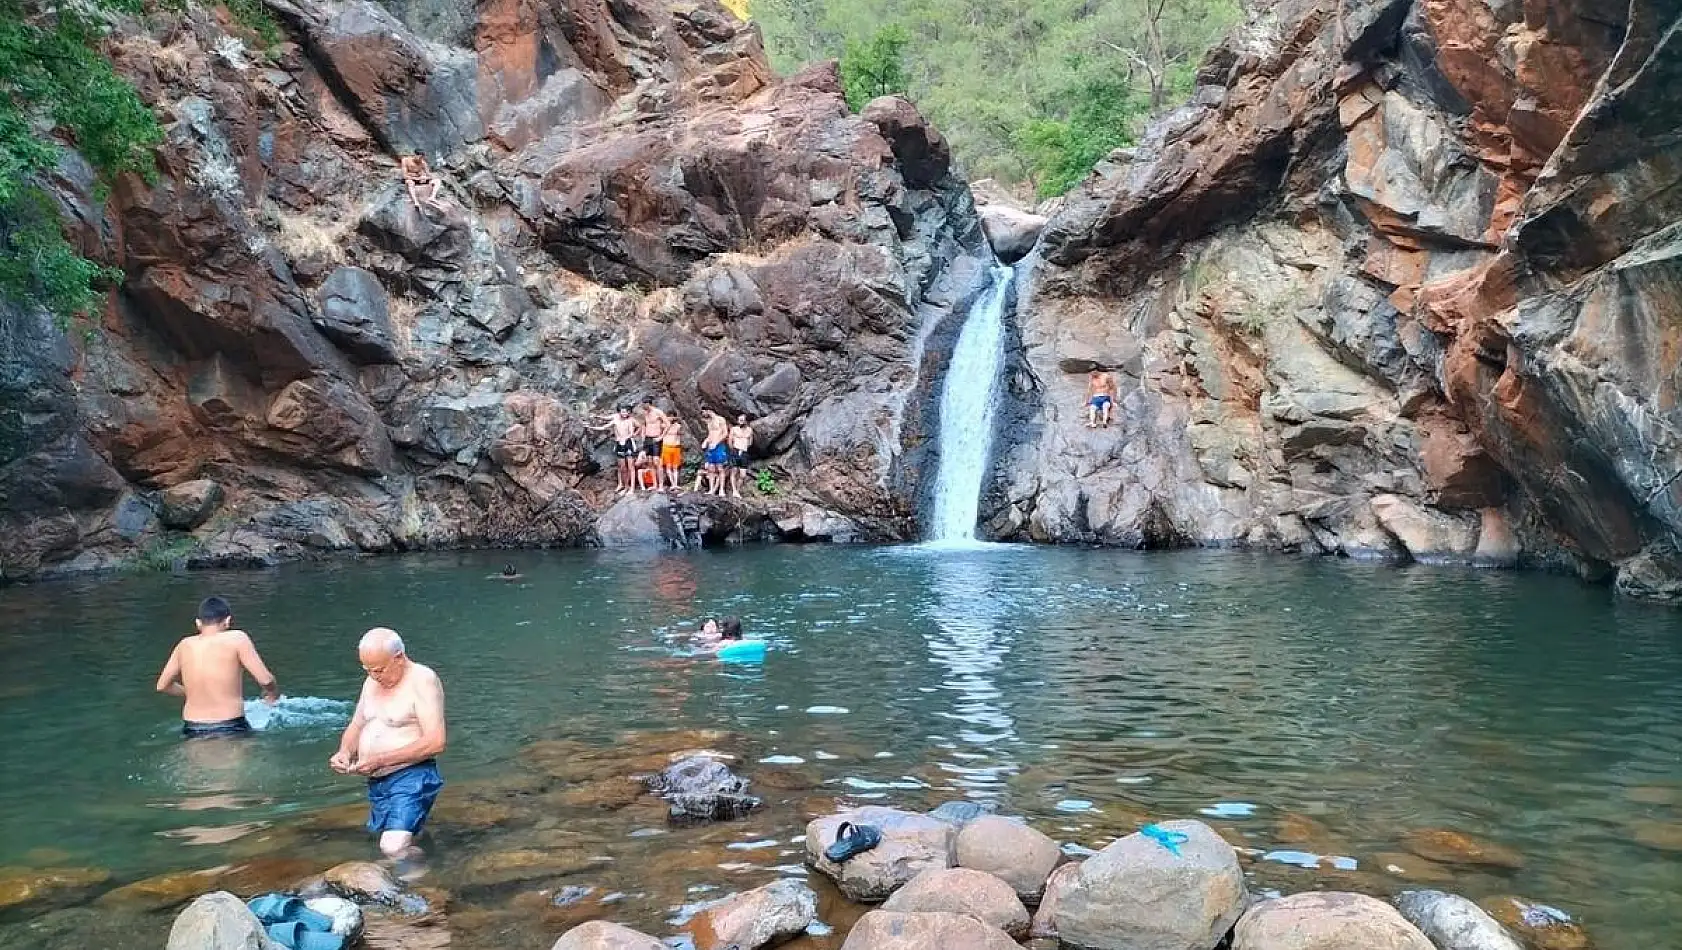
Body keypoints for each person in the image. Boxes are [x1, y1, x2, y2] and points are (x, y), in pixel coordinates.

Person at [329, 628, 446, 860]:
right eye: (368, 670)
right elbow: (357, 724)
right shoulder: (371, 682)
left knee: (393, 847)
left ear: (399, 657)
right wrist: (344, 752)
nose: (374, 676)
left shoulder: (422, 680)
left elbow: (436, 741)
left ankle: (421, 888)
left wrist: (380, 760)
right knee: (407, 836)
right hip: (378, 781)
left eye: (379, 670)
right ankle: (426, 867)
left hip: (411, 775)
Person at [156, 596, 280, 738]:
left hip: (193, 727)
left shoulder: (184, 645)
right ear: (227, 621)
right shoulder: (237, 638)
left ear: (198, 623)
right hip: (230, 725)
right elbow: (265, 680)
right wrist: (272, 695)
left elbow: (162, 685)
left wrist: (191, 693)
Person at [589, 406, 643, 494]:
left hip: (628, 443)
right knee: (622, 467)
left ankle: (632, 488)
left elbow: (640, 426)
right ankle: (626, 487)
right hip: (619, 443)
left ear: (628, 413)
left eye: (626, 412)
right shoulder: (616, 420)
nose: (624, 414)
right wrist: (591, 427)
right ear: (619, 413)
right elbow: (603, 427)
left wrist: (633, 435)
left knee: (631, 467)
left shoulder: (631, 420)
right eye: (622, 412)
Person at [695, 411, 730, 496]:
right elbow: (710, 434)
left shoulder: (720, 420)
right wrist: (706, 441)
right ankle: (711, 489)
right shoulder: (709, 422)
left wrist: (716, 442)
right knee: (711, 468)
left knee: (720, 468)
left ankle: (721, 489)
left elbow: (725, 433)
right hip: (711, 447)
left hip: (719, 446)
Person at [639, 403, 669, 489]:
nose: (643, 407)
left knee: (657, 461)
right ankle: (655, 484)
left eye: (644, 405)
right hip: (648, 438)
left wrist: (661, 437)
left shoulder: (658, 412)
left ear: (649, 404)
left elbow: (667, 424)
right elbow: (644, 425)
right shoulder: (645, 413)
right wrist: (643, 436)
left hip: (656, 438)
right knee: (650, 462)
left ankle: (661, 485)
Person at [727, 415, 754, 499]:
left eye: (742, 420)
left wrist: (745, 445)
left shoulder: (749, 430)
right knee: (734, 471)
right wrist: (733, 450)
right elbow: (730, 440)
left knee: (743, 474)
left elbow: (750, 442)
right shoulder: (734, 429)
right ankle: (734, 490)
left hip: (744, 451)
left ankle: (737, 491)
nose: (740, 422)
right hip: (736, 450)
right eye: (739, 420)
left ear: (746, 421)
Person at [659, 415, 685, 492]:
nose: (670, 418)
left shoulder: (678, 426)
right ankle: (672, 484)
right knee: (668, 466)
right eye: (669, 417)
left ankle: (676, 484)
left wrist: (678, 421)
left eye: (672, 417)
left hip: (676, 447)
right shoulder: (663, 425)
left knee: (675, 467)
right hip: (666, 447)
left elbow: (682, 433)